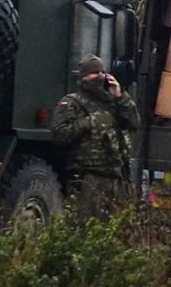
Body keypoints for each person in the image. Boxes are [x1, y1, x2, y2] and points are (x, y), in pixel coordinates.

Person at [51, 55, 140, 211]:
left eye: (102, 72)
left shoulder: (113, 102)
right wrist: (87, 123)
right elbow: (60, 135)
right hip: (88, 177)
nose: (99, 76)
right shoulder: (72, 103)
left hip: (115, 176)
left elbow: (134, 123)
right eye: (94, 73)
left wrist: (120, 97)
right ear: (84, 77)